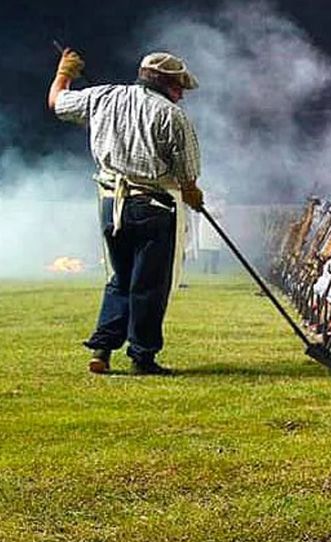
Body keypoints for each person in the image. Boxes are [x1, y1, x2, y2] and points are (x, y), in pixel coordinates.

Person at [49, 49, 204, 375]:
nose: (181, 94)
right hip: (152, 207)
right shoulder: (172, 115)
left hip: (111, 205)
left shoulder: (103, 97)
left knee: (120, 279)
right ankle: (142, 356)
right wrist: (193, 194)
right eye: (178, 86)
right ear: (165, 83)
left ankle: (102, 350)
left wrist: (64, 73)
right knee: (149, 286)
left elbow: (57, 103)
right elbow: (187, 174)